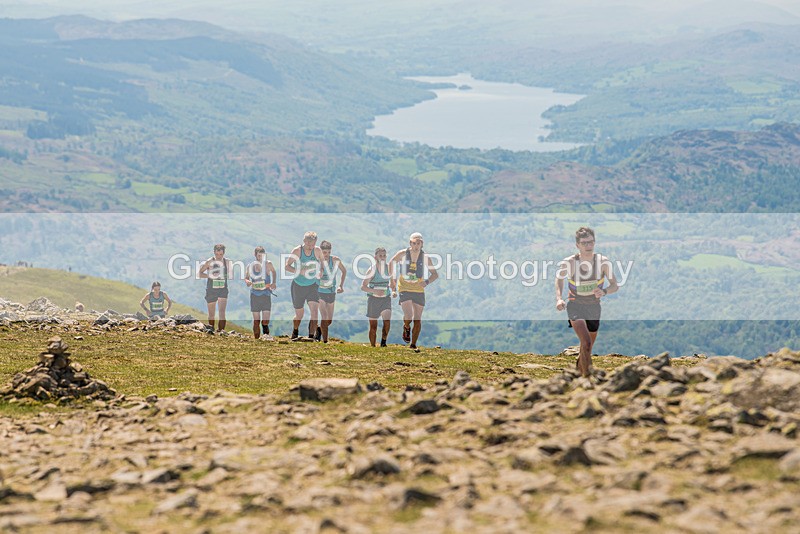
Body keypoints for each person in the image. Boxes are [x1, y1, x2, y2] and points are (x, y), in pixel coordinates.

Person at [555, 227, 619, 377]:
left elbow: (615, 285)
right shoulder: (570, 262)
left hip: (594, 307)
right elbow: (559, 279)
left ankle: (578, 374)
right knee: (586, 343)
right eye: (584, 243)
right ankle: (588, 378)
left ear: (594, 242)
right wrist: (559, 298)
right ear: (577, 245)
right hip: (575, 305)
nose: (588, 246)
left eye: (590, 242)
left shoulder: (603, 262)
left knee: (587, 348)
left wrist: (604, 291)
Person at [389, 232, 438, 350]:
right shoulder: (402, 254)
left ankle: (413, 344)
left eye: (418, 243)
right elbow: (391, 263)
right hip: (404, 288)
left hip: (418, 290)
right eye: (414, 243)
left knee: (417, 319)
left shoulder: (425, 258)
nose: (416, 246)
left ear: (422, 244)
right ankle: (406, 326)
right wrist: (392, 280)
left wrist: (426, 282)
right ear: (410, 243)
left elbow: (435, 274)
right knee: (409, 316)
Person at [285, 231, 323, 340]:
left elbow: (322, 262)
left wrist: (321, 271)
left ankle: (311, 337)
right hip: (298, 286)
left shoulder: (317, 250)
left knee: (314, 312)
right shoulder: (297, 251)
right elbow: (287, 266)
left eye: (313, 244)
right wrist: (299, 271)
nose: (311, 247)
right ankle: (295, 330)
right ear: (304, 241)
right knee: (299, 315)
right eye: (309, 244)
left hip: (313, 285)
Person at [361, 247, 395, 347]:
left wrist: (394, 292)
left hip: (385, 299)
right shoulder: (371, 270)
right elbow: (363, 287)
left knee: (387, 322)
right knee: (373, 327)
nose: (383, 257)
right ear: (375, 257)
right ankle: (373, 346)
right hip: (373, 300)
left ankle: (383, 342)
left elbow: (393, 284)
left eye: (384, 255)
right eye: (380, 256)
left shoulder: (389, 269)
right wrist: (375, 291)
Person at [316, 240, 347, 343]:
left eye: (328, 252)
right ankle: (325, 341)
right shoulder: (317, 261)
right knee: (324, 317)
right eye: (324, 252)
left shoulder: (335, 260)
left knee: (329, 320)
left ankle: (319, 329)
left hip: (331, 292)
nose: (326, 255)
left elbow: (344, 271)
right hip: (319, 292)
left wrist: (341, 285)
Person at [199, 243, 233, 332]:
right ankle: (211, 331)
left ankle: (221, 331)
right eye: (217, 254)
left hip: (223, 289)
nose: (219, 256)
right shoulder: (210, 261)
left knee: (222, 312)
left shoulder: (227, 262)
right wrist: (210, 275)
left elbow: (230, 275)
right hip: (211, 289)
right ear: (214, 252)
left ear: (224, 253)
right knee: (211, 314)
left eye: (221, 254)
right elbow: (200, 273)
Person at [245, 246, 277, 339]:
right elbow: (246, 277)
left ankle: (266, 335)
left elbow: (274, 272)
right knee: (256, 321)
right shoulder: (250, 266)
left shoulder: (268, 264)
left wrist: (274, 282)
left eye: (262, 256)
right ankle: (257, 339)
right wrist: (247, 282)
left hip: (266, 294)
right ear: (255, 255)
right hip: (254, 295)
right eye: (259, 256)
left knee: (265, 321)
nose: (260, 258)